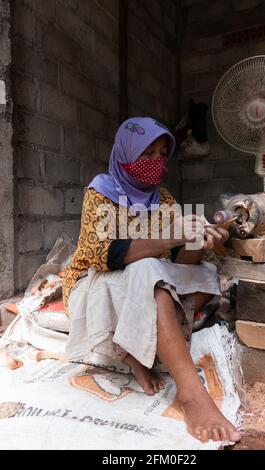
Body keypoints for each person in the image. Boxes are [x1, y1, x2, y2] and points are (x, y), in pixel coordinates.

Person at [62, 117, 241, 444]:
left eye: (162, 154)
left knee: (207, 275)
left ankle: (142, 344)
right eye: (147, 153)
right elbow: (98, 253)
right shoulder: (101, 191)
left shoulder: (164, 198)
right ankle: (191, 395)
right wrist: (166, 239)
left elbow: (176, 263)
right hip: (95, 286)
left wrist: (196, 243)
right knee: (147, 273)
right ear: (125, 153)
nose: (156, 162)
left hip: (142, 283)